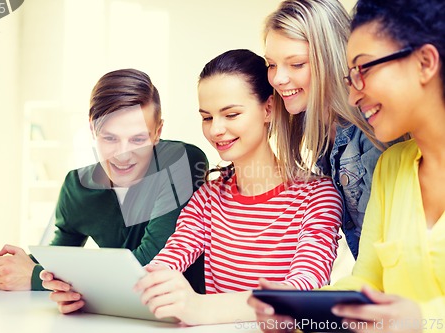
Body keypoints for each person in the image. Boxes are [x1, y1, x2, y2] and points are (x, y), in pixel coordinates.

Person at [41, 49, 343, 324]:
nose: (216, 129)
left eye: (231, 114)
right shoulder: (209, 198)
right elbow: (163, 265)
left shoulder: (317, 196)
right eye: (207, 117)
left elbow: (305, 290)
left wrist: (199, 308)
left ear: (268, 109)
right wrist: (83, 294)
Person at [249, 0, 445, 331]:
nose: (353, 94)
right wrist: (306, 310)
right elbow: (366, 281)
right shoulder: (392, 165)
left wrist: (421, 320)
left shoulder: (372, 147)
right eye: (351, 74)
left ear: (425, 63)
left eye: (364, 69)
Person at [0, 69, 208, 294]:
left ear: (157, 132)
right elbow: (54, 260)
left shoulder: (182, 162)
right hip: (116, 320)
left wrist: (34, 277)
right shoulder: (78, 185)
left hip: (185, 321)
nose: (123, 156)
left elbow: (148, 269)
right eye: (110, 138)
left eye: (138, 140)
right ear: (92, 129)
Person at [263, 0, 385, 258]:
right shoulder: (320, 137)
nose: (278, 79)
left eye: (296, 64)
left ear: (331, 59)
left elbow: (391, 251)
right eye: (272, 65)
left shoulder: (374, 133)